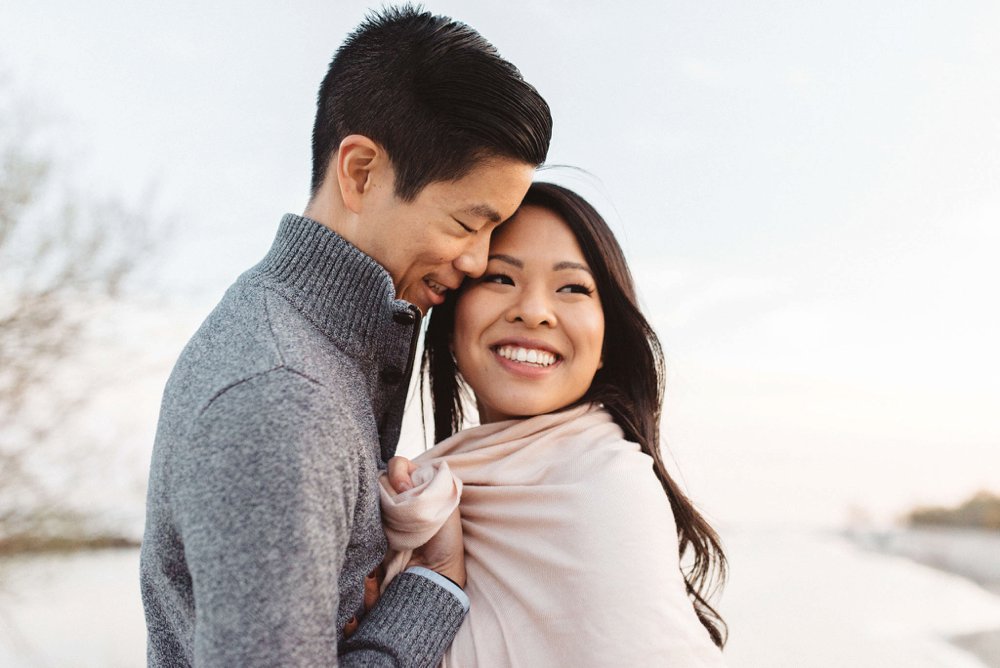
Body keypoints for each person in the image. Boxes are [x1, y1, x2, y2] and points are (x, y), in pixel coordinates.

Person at [139, 6, 552, 666]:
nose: (478, 261)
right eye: (467, 224)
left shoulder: (314, 349)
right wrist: (435, 585)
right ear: (361, 172)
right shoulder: (282, 395)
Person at [381, 182, 728, 665]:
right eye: (501, 279)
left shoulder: (604, 486)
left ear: (607, 342)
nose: (534, 311)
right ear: (452, 322)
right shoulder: (427, 487)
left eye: (572, 288)